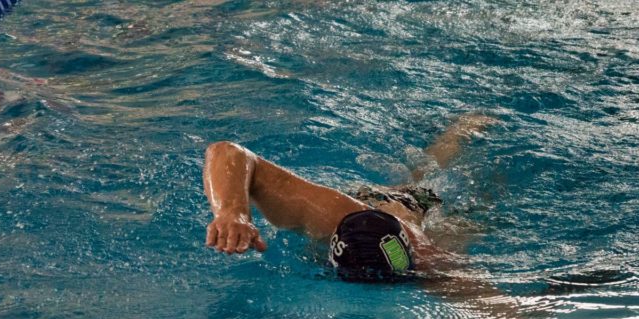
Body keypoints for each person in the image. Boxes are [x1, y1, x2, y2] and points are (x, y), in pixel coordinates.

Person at [201, 114, 494, 281]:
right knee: (414, 179)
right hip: (368, 201)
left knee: (429, 186)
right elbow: (227, 151)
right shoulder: (325, 212)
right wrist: (232, 212)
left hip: (415, 205)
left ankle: (462, 129)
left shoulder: (434, 263)